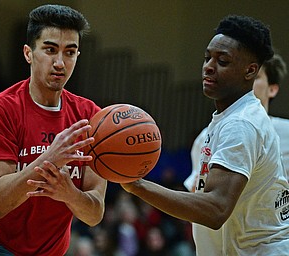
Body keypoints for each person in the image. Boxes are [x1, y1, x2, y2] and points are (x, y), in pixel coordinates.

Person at [121, 15, 289, 255]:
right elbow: (199, 202)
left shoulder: (241, 124)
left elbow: (215, 210)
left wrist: (137, 186)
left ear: (250, 71)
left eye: (223, 60)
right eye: (207, 57)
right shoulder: (226, 120)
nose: (209, 66)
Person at [0, 4, 107, 256]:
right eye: (50, 49)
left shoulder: (91, 117)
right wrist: (48, 160)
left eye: (70, 52)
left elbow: (94, 214)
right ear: (28, 53)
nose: (59, 62)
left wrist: (70, 194)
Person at [184, 53, 289, 192]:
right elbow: (196, 191)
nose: (248, 82)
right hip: (228, 212)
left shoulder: (286, 131)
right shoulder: (206, 136)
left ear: (272, 89)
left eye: (256, 77)